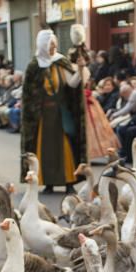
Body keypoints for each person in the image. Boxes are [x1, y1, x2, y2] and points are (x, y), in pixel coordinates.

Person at [20, 29, 86, 194]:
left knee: (64, 148)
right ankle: (47, 182)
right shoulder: (34, 67)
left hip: (60, 114)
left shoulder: (60, 62)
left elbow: (72, 84)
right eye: (50, 45)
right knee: (44, 150)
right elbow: (29, 94)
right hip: (42, 117)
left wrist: (80, 70)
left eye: (55, 45)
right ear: (43, 46)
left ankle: (69, 181)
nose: (53, 48)